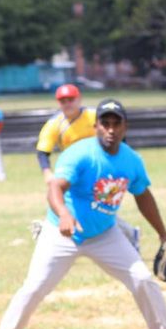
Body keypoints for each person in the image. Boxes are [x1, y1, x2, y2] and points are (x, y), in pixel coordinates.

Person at [0, 98, 166, 329]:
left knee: (142, 279)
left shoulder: (131, 161)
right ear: (96, 127)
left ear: (125, 127)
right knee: (34, 287)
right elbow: (55, 189)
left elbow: (143, 196)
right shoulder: (80, 154)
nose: (111, 129)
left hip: (105, 234)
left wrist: (163, 235)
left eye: (117, 124)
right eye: (105, 123)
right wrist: (65, 215)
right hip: (62, 233)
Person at [34, 84, 141, 250]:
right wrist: (47, 172)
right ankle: (52, 233)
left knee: (99, 205)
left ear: (79, 99)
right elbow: (42, 151)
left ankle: (127, 234)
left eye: (71, 99)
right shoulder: (55, 124)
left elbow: (118, 136)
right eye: (63, 101)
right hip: (73, 172)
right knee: (67, 201)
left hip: (98, 168)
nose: (67, 103)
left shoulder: (93, 116)